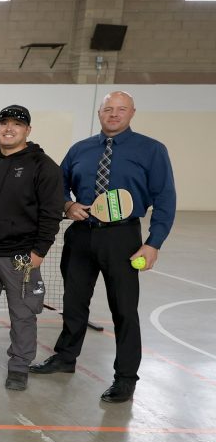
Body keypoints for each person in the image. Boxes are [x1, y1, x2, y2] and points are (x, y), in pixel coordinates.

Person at [31, 91, 176, 403]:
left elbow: (165, 198)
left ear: (132, 113)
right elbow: (59, 184)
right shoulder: (81, 149)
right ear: (99, 113)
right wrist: (68, 205)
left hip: (122, 238)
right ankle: (65, 358)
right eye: (108, 109)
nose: (114, 114)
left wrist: (153, 243)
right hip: (81, 234)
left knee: (124, 309)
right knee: (74, 302)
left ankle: (125, 377)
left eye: (120, 109)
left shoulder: (152, 150)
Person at [0, 105, 64, 392]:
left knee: (23, 313)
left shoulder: (43, 166)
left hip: (22, 256)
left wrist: (39, 251)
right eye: (4, 123)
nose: (9, 129)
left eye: (16, 125)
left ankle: (19, 366)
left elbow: (51, 212)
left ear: (27, 130)